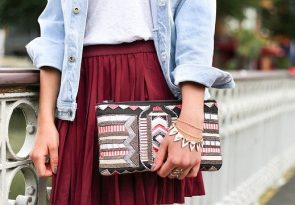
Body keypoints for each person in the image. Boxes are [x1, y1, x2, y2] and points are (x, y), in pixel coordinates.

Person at [26, 1, 235, 204]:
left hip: (147, 85)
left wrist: (190, 124)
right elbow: (55, 32)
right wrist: (45, 119)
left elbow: (195, 19)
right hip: (80, 91)